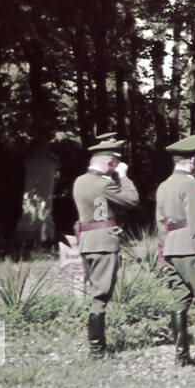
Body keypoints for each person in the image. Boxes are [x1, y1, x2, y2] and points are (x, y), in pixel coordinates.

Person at [155, 134, 195, 367]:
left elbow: (160, 224)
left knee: (179, 301)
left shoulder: (164, 185)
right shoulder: (190, 184)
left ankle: (181, 355)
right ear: (193, 161)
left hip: (171, 248)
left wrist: (163, 257)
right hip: (190, 248)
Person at [71, 136, 139, 358]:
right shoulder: (104, 183)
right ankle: (97, 350)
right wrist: (124, 176)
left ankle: (96, 346)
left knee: (95, 293)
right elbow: (132, 201)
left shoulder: (79, 181)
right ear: (110, 163)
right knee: (101, 297)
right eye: (115, 165)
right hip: (104, 243)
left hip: (87, 241)